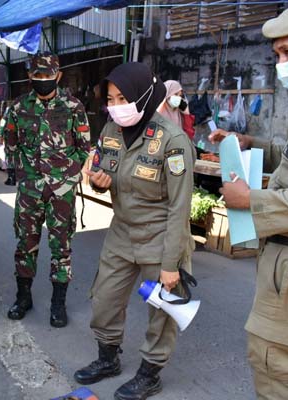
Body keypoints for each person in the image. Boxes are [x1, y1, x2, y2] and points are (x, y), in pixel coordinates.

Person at [209, 1, 288, 398]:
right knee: (283, 356)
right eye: (276, 54)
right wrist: (250, 143)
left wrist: (250, 201)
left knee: (274, 363)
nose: (280, 63)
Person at [73, 63, 195, 400]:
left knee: (163, 310)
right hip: (122, 231)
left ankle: (150, 373)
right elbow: (107, 174)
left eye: (122, 97)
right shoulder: (110, 131)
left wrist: (171, 264)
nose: (115, 105)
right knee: (104, 299)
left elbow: (180, 208)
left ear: (143, 95)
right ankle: (108, 359)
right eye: (111, 98)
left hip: (161, 236)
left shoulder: (173, 141)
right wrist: (98, 183)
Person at [0, 52, 91, 328]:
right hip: (29, 190)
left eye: (48, 76)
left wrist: (66, 180)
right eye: (37, 76)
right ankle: (23, 298)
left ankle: (57, 304)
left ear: (58, 76)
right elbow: (10, 142)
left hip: (61, 191)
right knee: (25, 244)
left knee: (61, 247)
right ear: (30, 76)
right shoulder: (18, 108)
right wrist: (23, 174)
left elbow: (83, 147)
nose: (43, 81)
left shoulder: (73, 107)